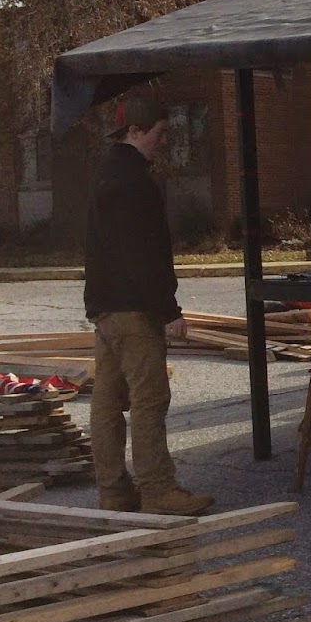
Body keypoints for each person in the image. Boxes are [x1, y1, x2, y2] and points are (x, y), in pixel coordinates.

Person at [85, 96, 214, 516]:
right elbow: (145, 254)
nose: (163, 141)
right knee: (149, 399)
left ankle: (114, 491)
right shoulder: (137, 183)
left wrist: (97, 304)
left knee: (106, 402)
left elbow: (98, 248)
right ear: (136, 131)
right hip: (135, 310)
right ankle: (158, 490)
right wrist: (169, 310)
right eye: (160, 132)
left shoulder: (103, 175)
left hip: (105, 309)